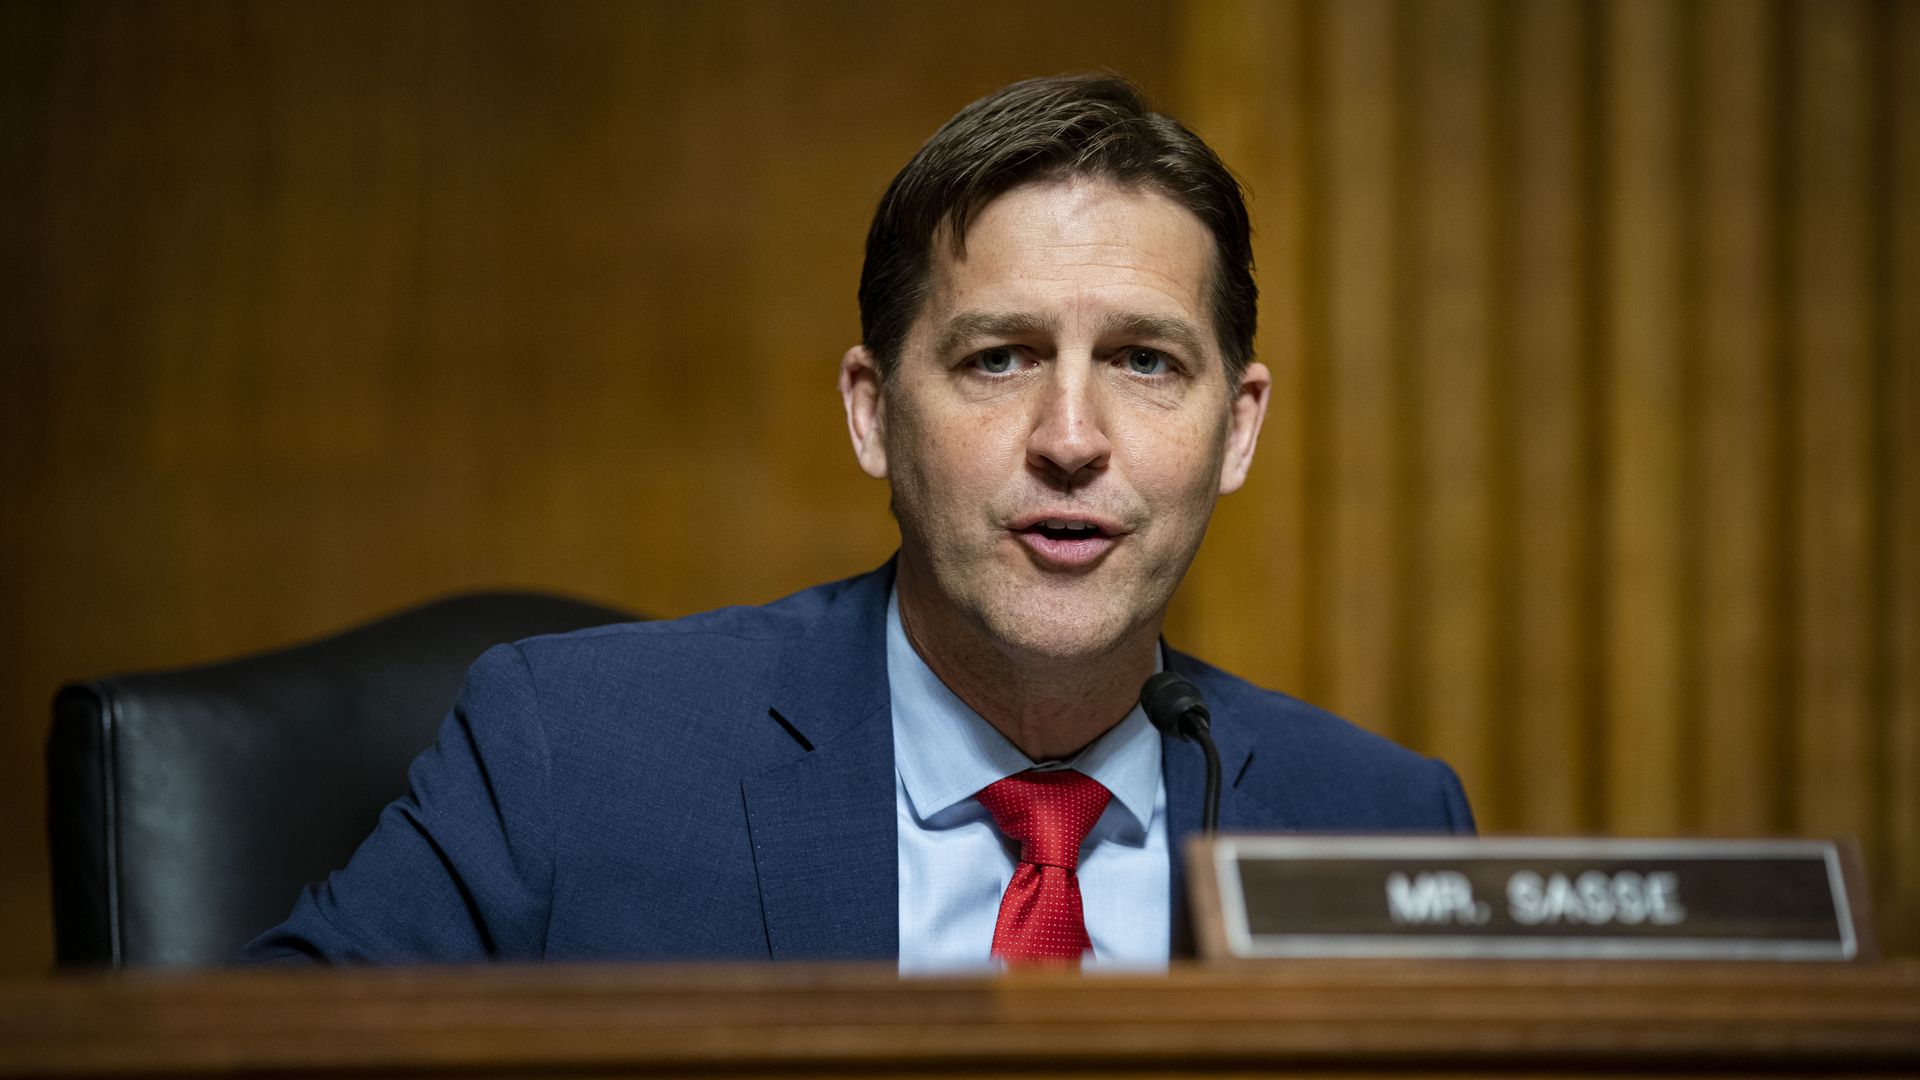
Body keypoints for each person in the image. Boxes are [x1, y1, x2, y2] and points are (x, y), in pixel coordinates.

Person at [239, 73, 1473, 971]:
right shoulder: (574, 756)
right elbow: (251, 1054)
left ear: (1236, 430)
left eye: (1145, 361)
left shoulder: (1382, 824)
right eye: (998, 358)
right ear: (873, 413)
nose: (1071, 437)